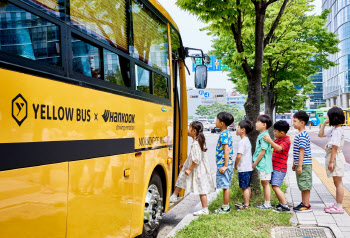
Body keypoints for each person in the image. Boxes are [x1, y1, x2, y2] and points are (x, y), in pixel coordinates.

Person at [169, 121, 215, 216]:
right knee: (182, 178)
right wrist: (185, 164)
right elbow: (192, 156)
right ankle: (174, 195)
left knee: (201, 188)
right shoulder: (198, 141)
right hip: (196, 167)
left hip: (197, 169)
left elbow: (196, 159)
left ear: (194, 131)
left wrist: (189, 169)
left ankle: (205, 209)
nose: (187, 129)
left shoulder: (195, 143)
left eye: (189, 127)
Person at [318, 106, 346, 214]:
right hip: (334, 157)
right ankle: (337, 204)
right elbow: (320, 135)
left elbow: (335, 147)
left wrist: (331, 162)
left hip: (336, 158)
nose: (327, 117)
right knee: (336, 182)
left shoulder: (338, 131)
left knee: (338, 183)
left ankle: (339, 207)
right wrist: (324, 124)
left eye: (329, 116)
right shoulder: (334, 129)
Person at [263, 120, 291, 212]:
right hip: (275, 167)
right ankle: (281, 203)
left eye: (275, 131)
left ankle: (285, 205)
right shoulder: (278, 139)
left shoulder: (286, 141)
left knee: (275, 186)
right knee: (274, 186)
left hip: (280, 168)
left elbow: (279, 148)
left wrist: (270, 141)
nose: (274, 132)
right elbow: (271, 146)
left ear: (282, 133)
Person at [213, 112, 235, 214]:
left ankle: (226, 207)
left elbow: (226, 149)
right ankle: (224, 206)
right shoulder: (226, 133)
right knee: (226, 185)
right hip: (225, 163)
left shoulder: (223, 134)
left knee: (225, 186)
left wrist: (225, 166)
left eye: (216, 120)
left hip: (224, 164)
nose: (215, 121)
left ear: (221, 123)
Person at [293, 110, 312, 212]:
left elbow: (302, 151)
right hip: (300, 163)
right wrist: (294, 164)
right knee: (302, 184)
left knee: (305, 184)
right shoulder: (299, 134)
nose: (293, 123)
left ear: (302, 123)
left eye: (295, 121)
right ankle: (303, 202)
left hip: (304, 164)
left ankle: (306, 204)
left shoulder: (303, 135)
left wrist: (299, 165)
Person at [253, 115, 273, 209]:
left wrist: (255, 163)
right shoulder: (262, 135)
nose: (256, 124)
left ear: (264, 124)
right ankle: (266, 203)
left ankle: (267, 204)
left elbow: (262, 151)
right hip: (263, 164)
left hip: (264, 164)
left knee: (265, 184)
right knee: (264, 184)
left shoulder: (265, 136)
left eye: (258, 122)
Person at [234, 120, 254, 210]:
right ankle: (247, 203)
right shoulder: (246, 140)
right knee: (247, 186)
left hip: (243, 168)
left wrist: (235, 165)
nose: (236, 129)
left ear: (243, 130)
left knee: (244, 187)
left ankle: (246, 205)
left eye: (238, 127)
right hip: (248, 168)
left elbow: (239, 156)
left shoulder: (242, 142)